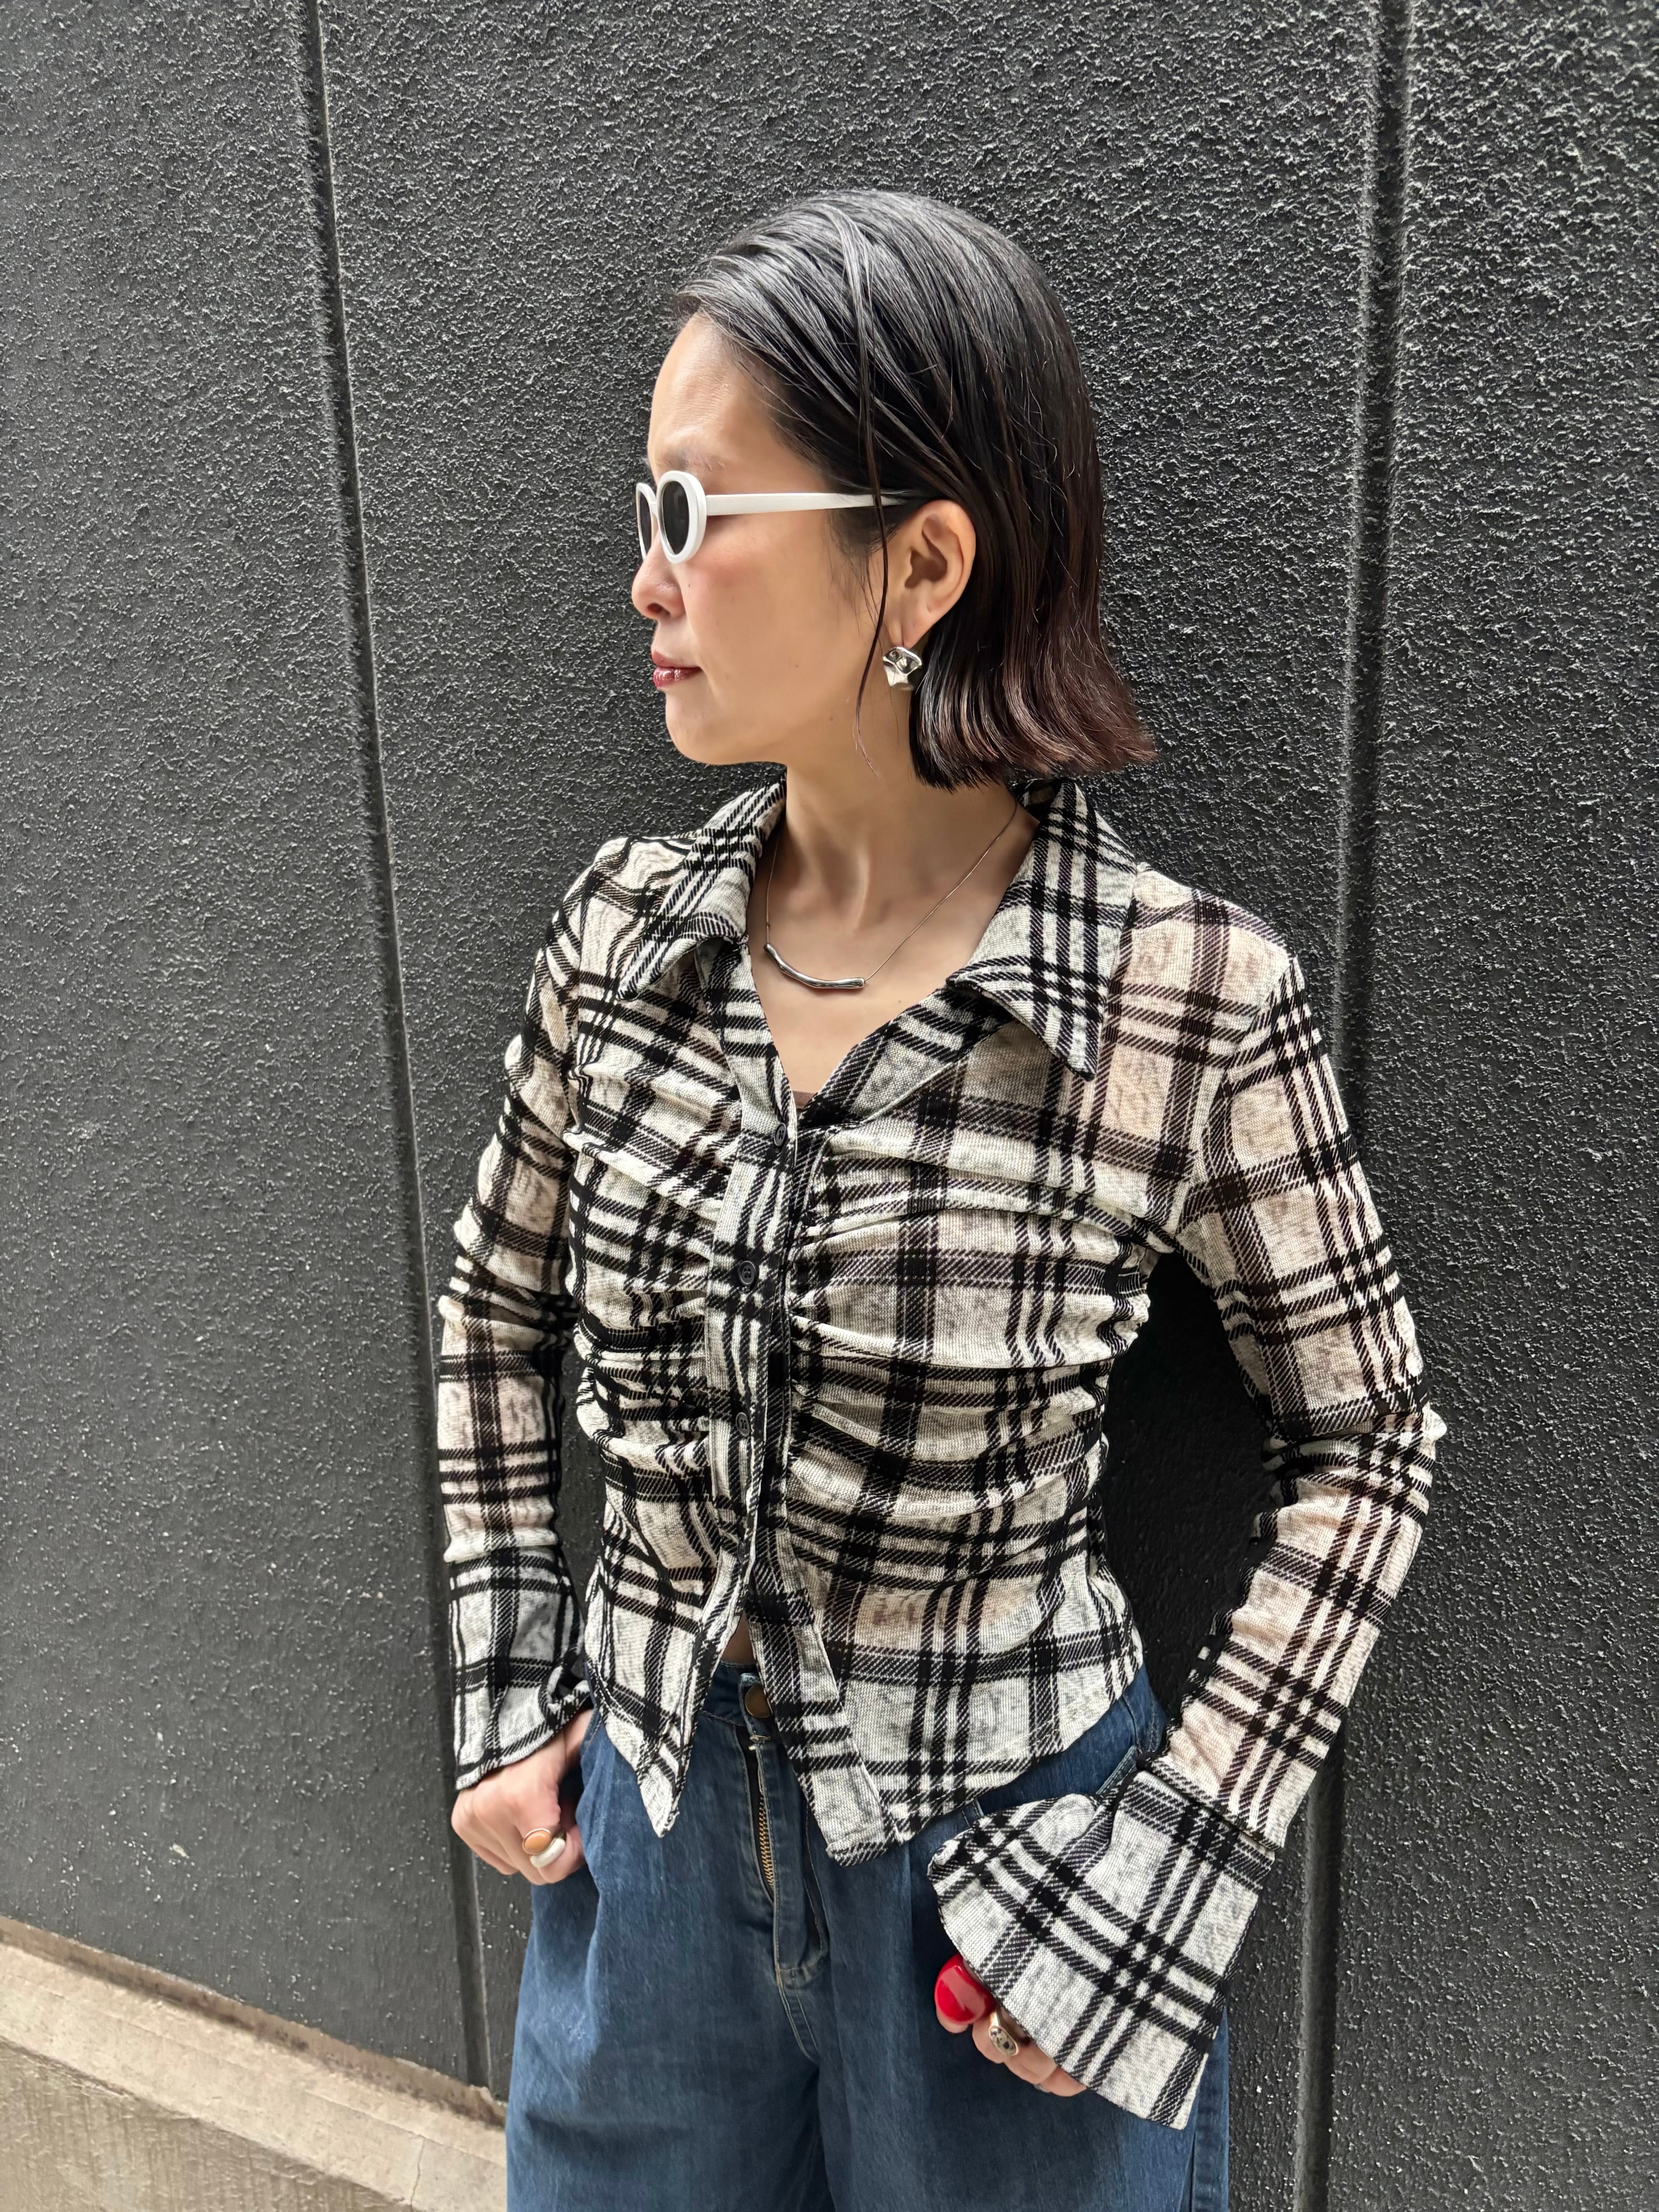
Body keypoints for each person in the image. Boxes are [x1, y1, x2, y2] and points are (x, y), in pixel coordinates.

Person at [436, 189, 1445, 2212]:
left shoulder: (1178, 998)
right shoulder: (622, 941)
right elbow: (494, 1303)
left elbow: (1373, 1434)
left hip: (1008, 1887)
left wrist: (1167, 1874)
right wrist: (501, 1686)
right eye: (645, 511)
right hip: (644, 1850)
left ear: (921, 563)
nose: (646, 576)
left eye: (695, 511)